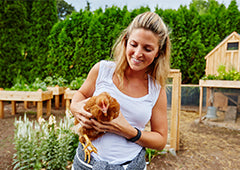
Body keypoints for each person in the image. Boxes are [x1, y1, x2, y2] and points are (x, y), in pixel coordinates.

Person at [70, 11, 171, 170]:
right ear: (125, 41)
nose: (138, 53)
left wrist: (130, 132)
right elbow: (81, 94)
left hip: (130, 166)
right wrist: (75, 107)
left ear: (159, 52)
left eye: (148, 48)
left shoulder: (156, 90)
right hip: (87, 163)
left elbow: (160, 140)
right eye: (134, 44)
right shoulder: (102, 70)